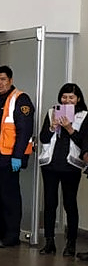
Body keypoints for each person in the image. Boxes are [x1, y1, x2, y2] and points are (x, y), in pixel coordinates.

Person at [0, 66, 34, 248]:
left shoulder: (19, 99)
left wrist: (18, 156)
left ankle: (11, 235)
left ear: (10, 80)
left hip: (8, 158)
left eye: (2, 79)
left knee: (9, 197)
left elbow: (24, 131)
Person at [38, 83, 86, 256]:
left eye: (71, 97)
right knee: (50, 203)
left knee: (69, 204)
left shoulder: (83, 116)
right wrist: (52, 127)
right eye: (64, 97)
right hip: (50, 164)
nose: (67, 101)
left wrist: (69, 128)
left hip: (71, 165)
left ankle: (71, 243)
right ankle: (49, 242)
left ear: (78, 99)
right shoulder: (52, 112)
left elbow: (84, 142)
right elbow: (43, 138)